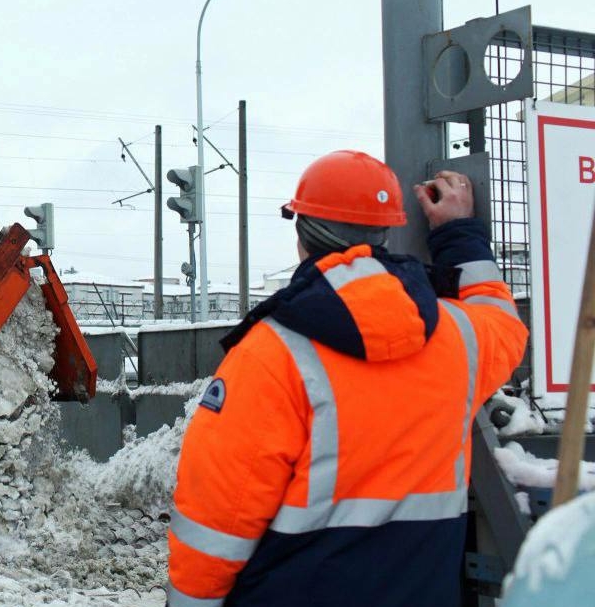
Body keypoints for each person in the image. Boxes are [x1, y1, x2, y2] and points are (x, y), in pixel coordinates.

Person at [166, 150, 528, 607]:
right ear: (387, 231)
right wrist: (459, 234)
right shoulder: (458, 337)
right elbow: (503, 323)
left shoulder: (270, 351)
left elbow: (215, 518)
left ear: (301, 234)